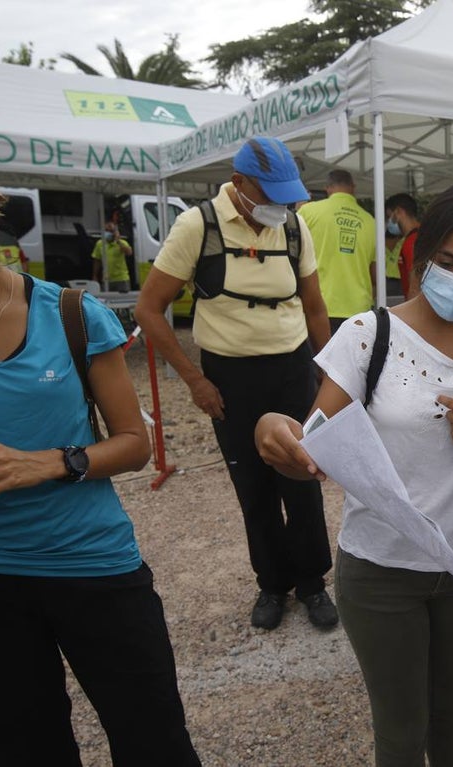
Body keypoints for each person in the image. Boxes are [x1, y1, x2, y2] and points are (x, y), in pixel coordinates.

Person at [0, 123, 200, 766]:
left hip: (94, 567)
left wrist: (51, 462)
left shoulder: (72, 314)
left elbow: (134, 444)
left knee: (155, 743)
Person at [255, 182, 453, 767]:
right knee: (401, 732)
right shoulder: (367, 336)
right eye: (448, 262)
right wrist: (275, 435)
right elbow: (313, 451)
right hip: (381, 572)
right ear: (422, 254)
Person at [134, 136, 337, 632]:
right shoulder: (197, 226)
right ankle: (272, 584)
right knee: (254, 486)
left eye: (287, 198)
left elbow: (314, 307)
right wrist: (194, 380)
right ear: (239, 183)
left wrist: (331, 371)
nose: (281, 208)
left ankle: (312, 582)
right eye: (271, 196)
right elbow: (149, 309)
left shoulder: (293, 227)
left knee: (304, 478)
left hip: (292, 370)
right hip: (231, 378)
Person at [299, 168, 377, 334]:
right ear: (353, 187)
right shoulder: (371, 221)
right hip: (360, 310)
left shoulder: (308, 211)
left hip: (319, 307)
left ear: (328, 188)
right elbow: (374, 273)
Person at [384, 192, 421, 299]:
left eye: (389, 217)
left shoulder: (412, 241)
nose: (388, 222)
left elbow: (415, 285)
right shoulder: (421, 235)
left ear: (398, 211)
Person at [91, 220, 133, 292]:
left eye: (111, 231)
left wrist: (118, 241)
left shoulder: (122, 243)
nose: (108, 233)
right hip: (106, 279)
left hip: (121, 279)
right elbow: (97, 260)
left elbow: (129, 252)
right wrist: (95, 276)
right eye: (106, 230)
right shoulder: (100, 244)